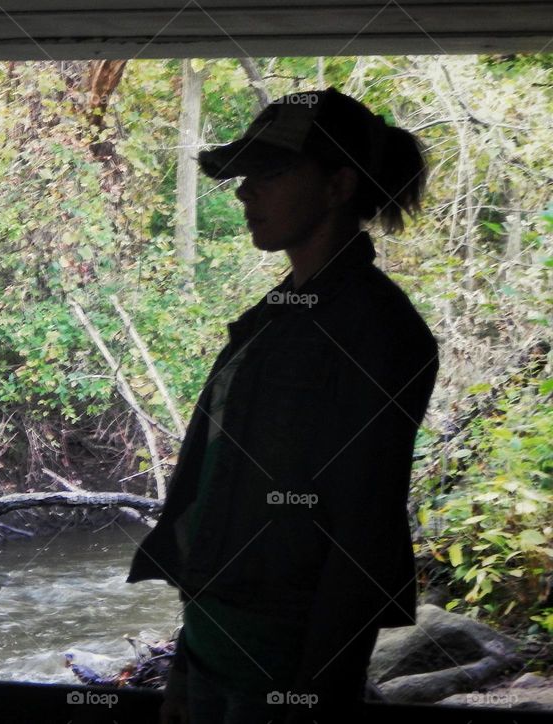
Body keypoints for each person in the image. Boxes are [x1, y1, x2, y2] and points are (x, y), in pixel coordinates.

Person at [125, 87, 440, 724]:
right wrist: (187, 662)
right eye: (245, 175)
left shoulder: (378, 330)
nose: (244, 192)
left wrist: (315, 694)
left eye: (270, 173)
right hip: (217, 642)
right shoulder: (272, 320)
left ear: (338, 186)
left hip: (286, 662)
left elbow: (362, 528)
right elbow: (219, 496)